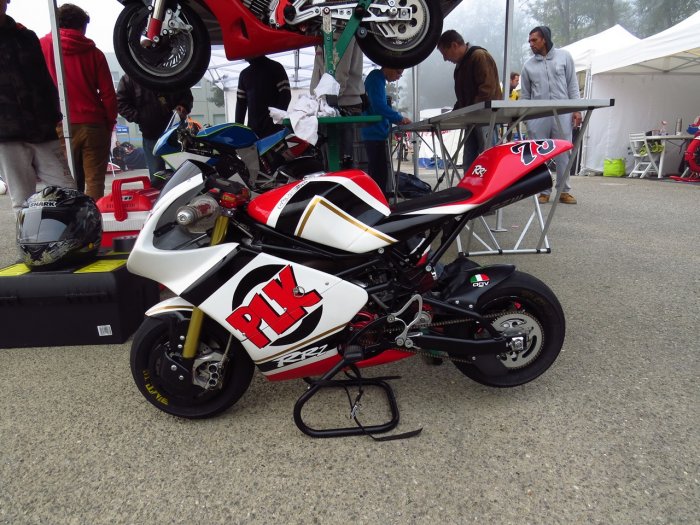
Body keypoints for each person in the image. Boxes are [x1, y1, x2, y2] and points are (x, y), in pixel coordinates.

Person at [0, 0, 76, 215]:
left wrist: (54, 116)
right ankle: (28, 237)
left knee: (68, 191)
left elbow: (44, 80)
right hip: (6, 134)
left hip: (42, 128)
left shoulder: (26, 36)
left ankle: (69, 233)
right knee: (22, 200)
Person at [39, 3, 117, 200]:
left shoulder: (42, 47)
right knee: (95, 181)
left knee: (64, 183)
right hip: (94, 124)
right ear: (82, 26)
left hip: (59, 124)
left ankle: (70, 217)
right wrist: (109, 123)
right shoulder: (95, 53)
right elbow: (108, 93)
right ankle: (93, 216)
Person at [520, 26, 581, 205]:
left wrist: (577, 110)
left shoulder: (565, 57)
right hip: (538, 115)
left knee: (563, 152)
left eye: (534, 40)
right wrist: (527, 120)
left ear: (544, 39)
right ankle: (543, 191)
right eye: (529, 41)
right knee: (539, 154)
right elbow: (525, 95)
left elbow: (572, 85)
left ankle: (563, 191)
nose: (531, 44)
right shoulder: (528, 65)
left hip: (562, 113)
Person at [436, 30, 502, 170]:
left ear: (454, 45)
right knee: (469, 161)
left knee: (488, 158)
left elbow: (487, 90)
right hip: (472, 119)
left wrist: (468, 110)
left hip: (485, 118)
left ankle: (491, 185)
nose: (445, 59)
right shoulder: (460, 66)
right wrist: (453, 114)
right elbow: (463, 98)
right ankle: (470, 184)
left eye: (445, 53)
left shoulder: (479, 56)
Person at [116, 74, 193, 177]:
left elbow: (186, 94)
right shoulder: (130, 77)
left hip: (176, 133)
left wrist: (184, 105)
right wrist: (141, 118)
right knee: (158, 177)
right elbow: (120, 103)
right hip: (152, 134)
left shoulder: (170, 70)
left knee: (184, 174)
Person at [310, 38, 366, 168]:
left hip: (341, 105)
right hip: (336, 104)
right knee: (335, 165)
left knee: (339, 166)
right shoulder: (325, 34)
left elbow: (338, 73)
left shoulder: (337, 30)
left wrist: (325, 102)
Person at [360, 67, 411, 194]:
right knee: (379, 176)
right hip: (374, 134)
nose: (398, 77)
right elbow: (379, 106)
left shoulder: (378, 79)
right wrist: (399, 118)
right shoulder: (376, 78)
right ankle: (378, 201)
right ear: (389, 66)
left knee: (379, 173)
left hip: (376, 133)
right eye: (398, 72)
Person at [235, 55, 291, 138]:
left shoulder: (276, 68)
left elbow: (285, 96)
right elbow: (241, 104)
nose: (243, 56)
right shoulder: (244, 74)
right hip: (254, 131)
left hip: (274, 131)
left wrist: (276, 120)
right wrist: (238, 130)